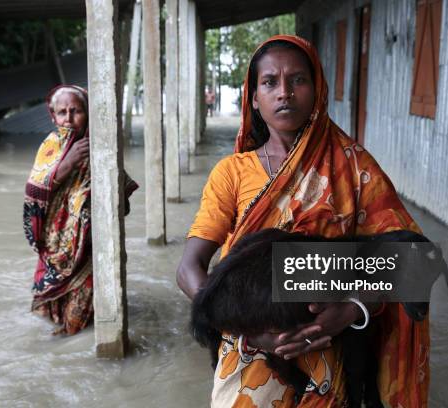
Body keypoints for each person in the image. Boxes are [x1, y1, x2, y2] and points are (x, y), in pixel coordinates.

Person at [177, 35, 429, 407]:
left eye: (298, 80)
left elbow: (409, 257)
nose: (284, 93)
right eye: (270, 82)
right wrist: (251, 333)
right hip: (249, 350)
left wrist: (349, 311)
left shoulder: (354, 167)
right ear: (254, 99)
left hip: (331, 350)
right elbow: (189, 268)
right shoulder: (232, 173)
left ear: (318, 91)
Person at [24, 85, 138, 335]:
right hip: (55, 250)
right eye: (61, 112)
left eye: (75, 111)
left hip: (89, 253)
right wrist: (68, 163)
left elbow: (123, 204)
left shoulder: (100, 149)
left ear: (87, 113)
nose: (68, 118)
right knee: (46, 316)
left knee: (76, 326)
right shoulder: (49, 147)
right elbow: (34, 194)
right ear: (52, 116)